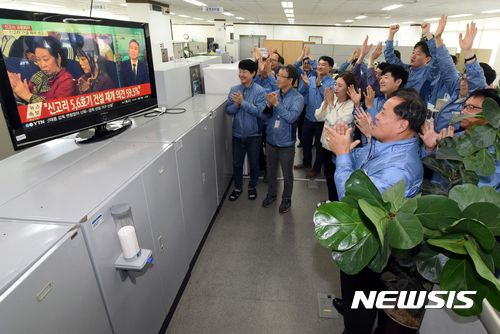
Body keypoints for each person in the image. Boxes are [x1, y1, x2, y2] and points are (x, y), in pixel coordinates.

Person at [324, 88, 426, 334]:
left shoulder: (400, 169)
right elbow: (362, 171)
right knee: (354, 295)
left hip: (369, 247)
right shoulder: (386, 146)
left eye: (383, 111)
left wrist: (343, 154)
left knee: (360, 304)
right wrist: (348, 151)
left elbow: (352, 198)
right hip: (361, 239)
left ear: (402, 125)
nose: (376, 116)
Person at [421, 88, 500, 190]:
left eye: (471, 108)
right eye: (464, 106)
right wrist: (430, 149)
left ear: (490, 114)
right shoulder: (453, 137)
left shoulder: (495, 152)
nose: (463, 112)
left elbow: (478, 190)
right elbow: (428, 168)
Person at [432, 17, 488, 132]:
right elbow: (447, 66)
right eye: (462, 78)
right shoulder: (456, 91)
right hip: (437, 140)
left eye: (468, 81)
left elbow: (477, 81)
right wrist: (438, 38)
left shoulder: (472, 104)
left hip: (451, 145)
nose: (463, 83)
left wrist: (468, 51)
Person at [261, 65, 304, 213]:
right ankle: (272, 193)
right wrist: (268, 105)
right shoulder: (274, 94)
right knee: (271, 171)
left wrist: (276, 104)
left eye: (281, 76)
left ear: (290, 80)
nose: (277, 78)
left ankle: (287, 198)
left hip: (286, 143)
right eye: (277, 75)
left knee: (287, 174)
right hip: (271, 141)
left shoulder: (298, 98)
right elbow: (264, 116)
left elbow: (291, 118)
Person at [226, 59, 267, 201]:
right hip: (237, 134)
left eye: (244, 71)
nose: (241, 74)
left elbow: (260, 113)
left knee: (254, 163)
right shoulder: (234, 89)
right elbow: (228, 110)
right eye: (240, 71)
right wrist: (236, 106)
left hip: (254, 135)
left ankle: (252, 187)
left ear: (253, 73)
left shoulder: (260, 92)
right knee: (237, 163)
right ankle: (237, 188)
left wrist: (242, 103)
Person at [315, 73, 357, 207]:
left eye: (340, 85)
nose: (336, 88)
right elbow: (318, 117)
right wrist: (326, 103)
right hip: (326, 144)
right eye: (335, 84)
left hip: (341, 149)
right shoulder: (333, 100)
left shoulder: (351, 105)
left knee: (340, 177)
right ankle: (332, 200)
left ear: (349, 88)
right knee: (329, 175)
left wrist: (331, 104)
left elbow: (339, 124)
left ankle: (341, 205)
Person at [295, 56, 336, 179]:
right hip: (308, 117)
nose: (320, 66)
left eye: (324, 65)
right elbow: (301, 94)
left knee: (319, 146)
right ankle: (306, 163)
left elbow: (330, 98)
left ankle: (316, 168)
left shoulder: (332, 83)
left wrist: (320, 84)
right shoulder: (311, 79)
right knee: (305, 142)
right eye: (319, 64)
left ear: (330, 68)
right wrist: (306, 85)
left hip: (322, 121)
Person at [7, 36, 78, 104]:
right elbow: (26, 99)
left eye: (46, 59)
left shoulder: (67, 81)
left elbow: (56, 108)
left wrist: (26, 96)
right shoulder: (37, 77)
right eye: (38, 59)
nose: (42, 65)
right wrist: (17, 92)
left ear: (58, 58)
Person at [349, 64, 408, 144]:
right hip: (367, 146)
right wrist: (357, 105)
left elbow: (383, 128)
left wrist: (370, 107)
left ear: (398, 82)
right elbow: (361, 121)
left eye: (386, 78)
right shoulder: (376, 99)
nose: (381, 81)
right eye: (381, 78)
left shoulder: (401, 105)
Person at [384, 23, 439, 104]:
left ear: (428, 59)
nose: (413, 56)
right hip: (398, 106)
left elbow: (437, 57)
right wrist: (391, 34)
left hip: (415, 111)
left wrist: (427, 33)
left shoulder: (428, 73)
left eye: (418, 54)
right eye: (413, 52)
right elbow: (389, 57)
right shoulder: (404, 69)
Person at [294, 45, 317, 147]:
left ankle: (310, 141)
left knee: (310, 123)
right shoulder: (300, 73)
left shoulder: (314, 73)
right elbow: (295, 65)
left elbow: (316, 66)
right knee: (300, 123)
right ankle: (301, 141)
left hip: (311, 102)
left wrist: (308, 54)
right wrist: (302, 54)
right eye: (305, 63)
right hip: (301, 102)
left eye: (308, 63)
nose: (306, 65)